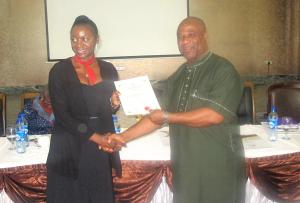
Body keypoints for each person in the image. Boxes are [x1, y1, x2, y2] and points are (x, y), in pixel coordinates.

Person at [109, 16, 246, 203]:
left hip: (218, 170)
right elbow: (154, 117)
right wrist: (123, 137)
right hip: (186, 171)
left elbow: (214, 115)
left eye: (191, 35)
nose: (184, 41)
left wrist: (167, 116)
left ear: (205, 36)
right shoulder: (178, 76)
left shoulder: (223, 69)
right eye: (180, 37)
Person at [46, 15, 121, 203]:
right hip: (68, 146)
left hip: (99, 148)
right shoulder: (59, 71)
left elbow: (106, 109)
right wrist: (97, 138)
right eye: (73, 39)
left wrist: (113, 105)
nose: (78, 44)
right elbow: (62, 115)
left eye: (84, 38)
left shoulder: (109, 69)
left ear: (96, 39)